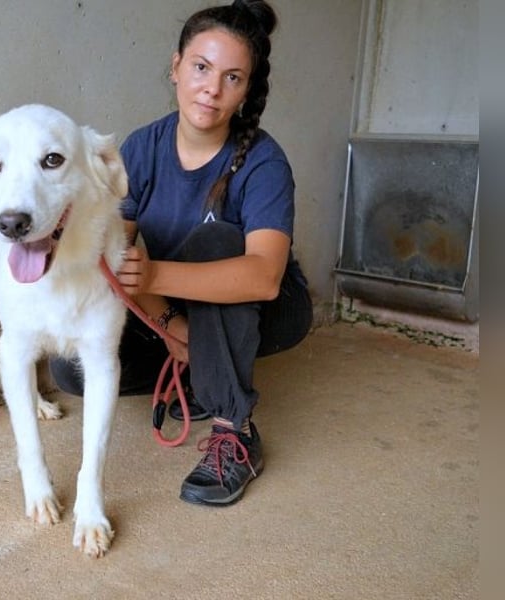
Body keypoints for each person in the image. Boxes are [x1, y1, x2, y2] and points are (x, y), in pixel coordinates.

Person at [51, 0, 312, 507]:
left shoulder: (263, 160)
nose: (212, 88)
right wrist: (171, 325)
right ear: (175, 67)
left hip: (265, 309)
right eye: (201, 67)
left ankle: (234, 429)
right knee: (71, 369)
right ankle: (200, 371)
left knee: (214, 243)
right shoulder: (143, 146)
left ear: (247, 91)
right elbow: (116, 254)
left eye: (233, 77)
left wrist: (155, 283)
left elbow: (262, 277)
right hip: (170, 305)